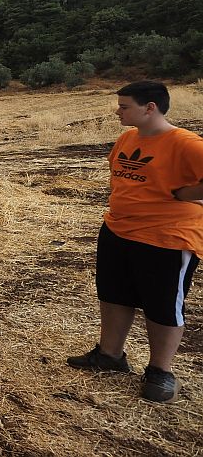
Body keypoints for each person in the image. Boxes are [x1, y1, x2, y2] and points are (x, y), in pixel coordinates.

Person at [67, 81, 203, 403]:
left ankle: (160, 372)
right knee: (114, 295)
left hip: (167, 237)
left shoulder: (185, 143)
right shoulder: (127, 138)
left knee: (162, 305)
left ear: (150, 108)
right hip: (118, 230)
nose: (118, 110)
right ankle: (110, 355)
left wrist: (184, 194)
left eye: (124, 105)